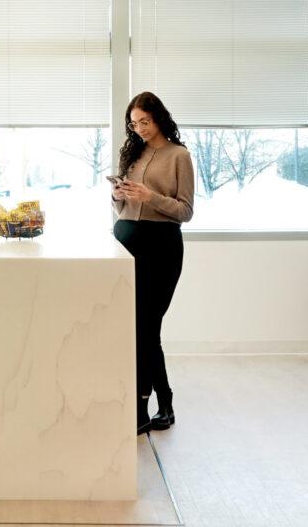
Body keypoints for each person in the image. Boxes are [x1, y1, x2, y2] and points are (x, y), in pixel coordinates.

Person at [111, 91, 195, 435]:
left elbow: (185, 211)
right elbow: (125, 208)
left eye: (144, 121)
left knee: (146, 327)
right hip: (126, 241)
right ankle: (163, 403)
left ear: (159, 118)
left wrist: (150, 196)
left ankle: (144, 408)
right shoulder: (133, 154)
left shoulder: (179, 156)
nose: (140, 129)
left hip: (160, 246)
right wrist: (118, 196)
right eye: (134, 123)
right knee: (136, 329)